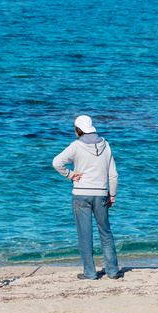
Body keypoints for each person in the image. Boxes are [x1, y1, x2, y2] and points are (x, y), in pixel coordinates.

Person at [52, 115, 120, 280]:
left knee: (84, 234)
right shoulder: (106, 145)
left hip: (81, 194)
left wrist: (70, 175)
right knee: (105, 232)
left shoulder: (76, 146)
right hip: (101, 193)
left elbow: (56, 162)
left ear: (78, 130)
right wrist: (112, 195)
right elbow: (113, 175)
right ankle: (112, 272)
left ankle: (90, 273)